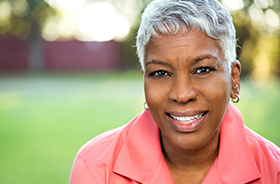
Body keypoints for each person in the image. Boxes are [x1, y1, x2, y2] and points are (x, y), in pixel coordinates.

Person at [69, 0, 280, 183]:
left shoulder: (274, 170)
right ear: (145, 79)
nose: (181, 94)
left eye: (202, 70)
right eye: (160, 73)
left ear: (234, 79)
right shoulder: (96, 167)